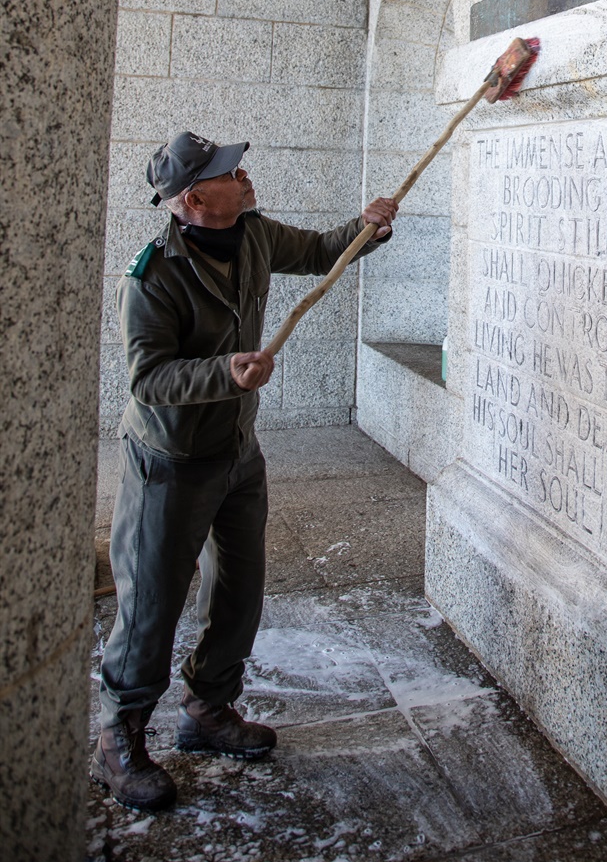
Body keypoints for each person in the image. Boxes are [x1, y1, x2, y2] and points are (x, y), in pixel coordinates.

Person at [92, 131, 399, 812]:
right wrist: (224, 371)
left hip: (236, 450)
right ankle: (119, 737)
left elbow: (322, 250)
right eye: (231, 172)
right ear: (195, 198)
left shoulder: (254, 234)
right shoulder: (153, 275)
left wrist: (367, 227)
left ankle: (207, 709)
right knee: (151, 606)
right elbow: (149, 377)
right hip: (169, 462)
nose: (246, 175)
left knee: (239, 588)